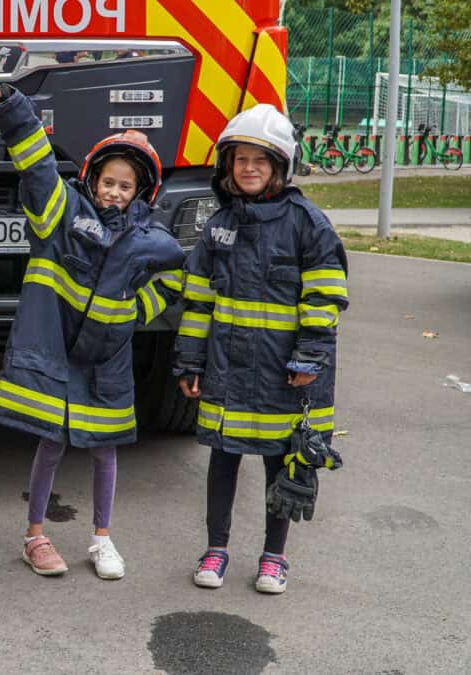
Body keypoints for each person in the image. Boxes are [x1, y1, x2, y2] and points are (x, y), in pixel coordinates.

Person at [0, 84, 185, 580]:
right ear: (92, 179)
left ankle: (102, 540)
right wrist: (14, 112)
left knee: (105, 448)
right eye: (108, 181)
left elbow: (182, 276)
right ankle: (35, 536)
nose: (114, 192)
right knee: (49, 443)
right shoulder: (61, 215)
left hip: (106, 361)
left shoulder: (148, 241)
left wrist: (138, 310)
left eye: (126, 186)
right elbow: (36, 167)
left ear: (141, 193)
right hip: (54, 349)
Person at [174, 103, 349, 594]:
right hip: (227, 370)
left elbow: (324, 297)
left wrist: (310, 357)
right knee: (222, 460)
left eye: (260, 160)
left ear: (280, 167)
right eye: (240, 159)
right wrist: (189, 359)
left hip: (284, 374)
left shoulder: (307, 223)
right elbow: (198, 302)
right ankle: (216, 549)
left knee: (282, 464)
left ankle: (274, 557)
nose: (249, 168)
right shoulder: (219, 227)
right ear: (227, 166)